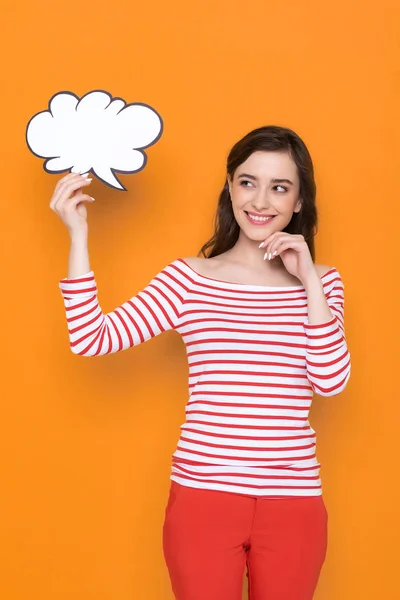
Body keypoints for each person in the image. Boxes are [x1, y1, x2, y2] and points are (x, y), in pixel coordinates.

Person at [50, 125, 351, 600]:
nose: (261, 201)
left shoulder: (324, 282)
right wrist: (78, 234)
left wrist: (308, 277)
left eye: (280, 187)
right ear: (230, 187)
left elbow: (331, 382)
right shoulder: (189, 280)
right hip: (203, 498)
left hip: (294, 504)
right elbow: (92, 338)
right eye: (248, 182)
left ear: (298, 202)